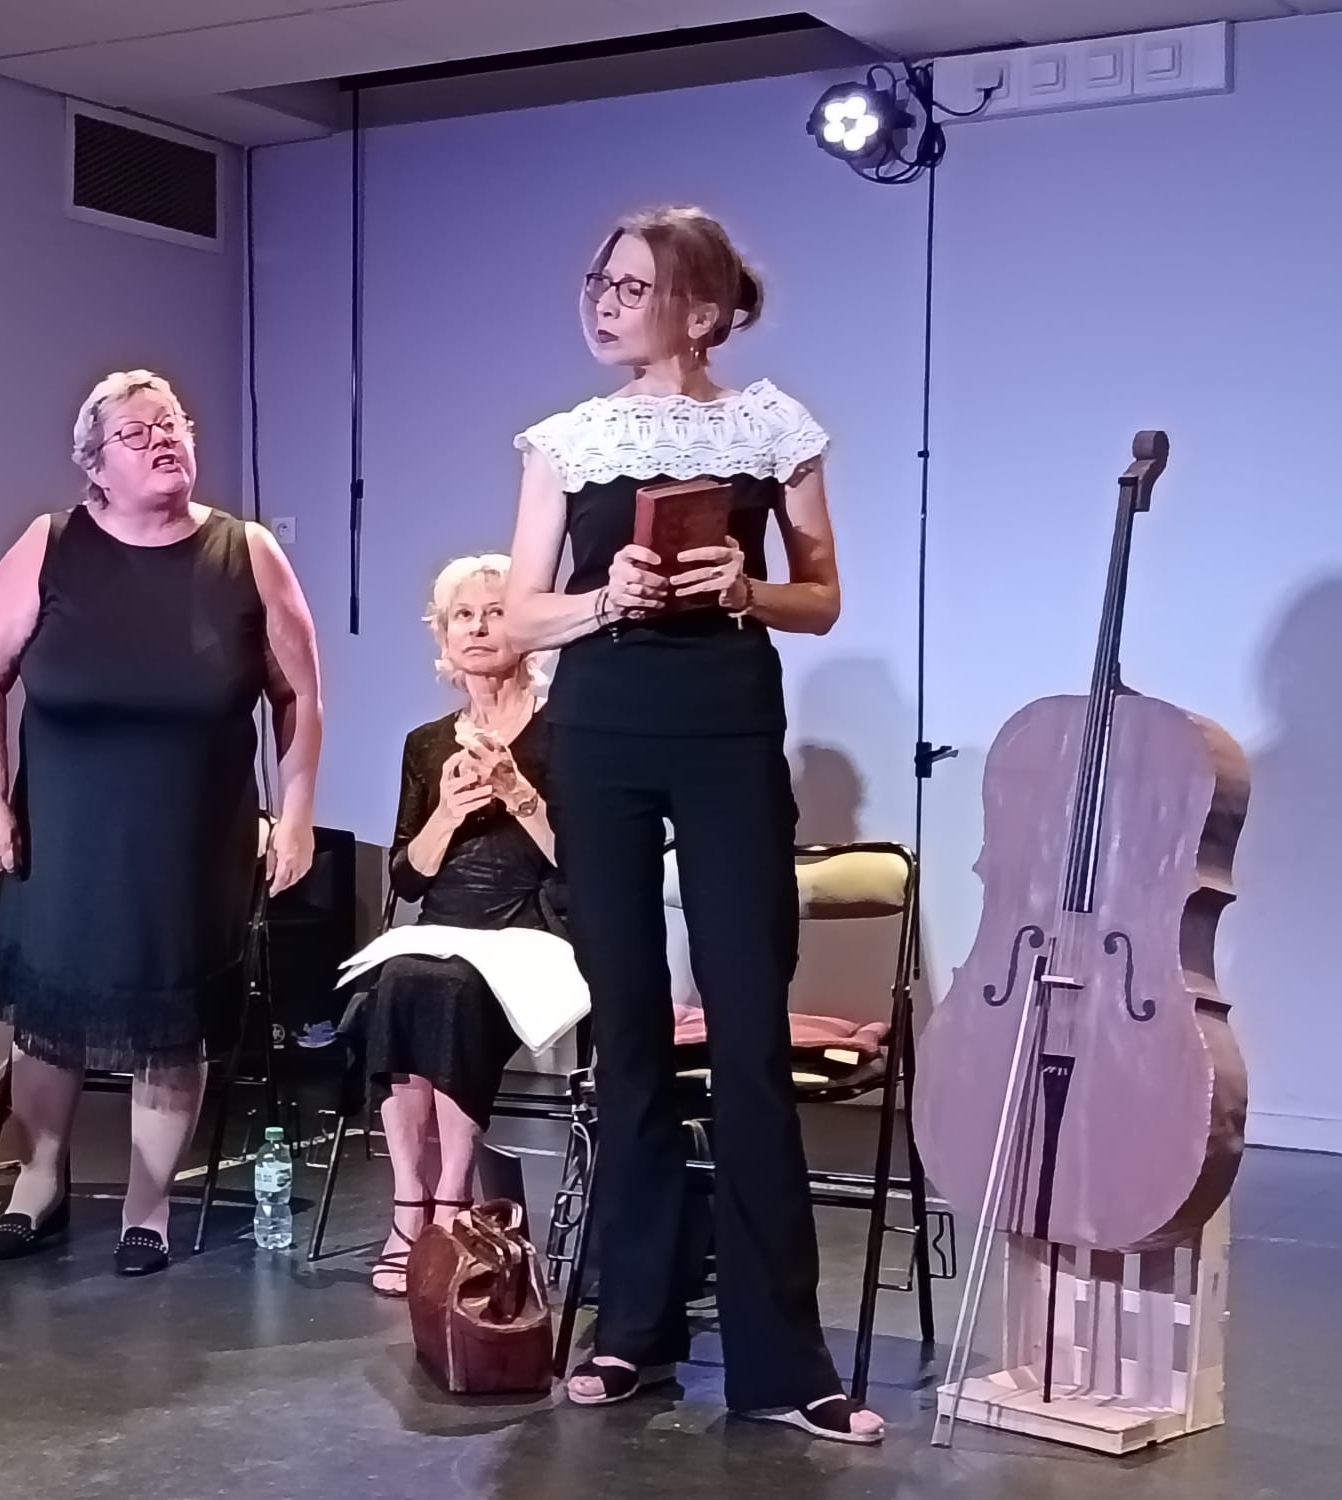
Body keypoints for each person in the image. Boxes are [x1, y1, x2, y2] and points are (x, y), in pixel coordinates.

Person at [503, 206, 884, 1441]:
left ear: (702, 311)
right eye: (598, 280)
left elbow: (820, 598)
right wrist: (599, 598)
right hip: (600, 734)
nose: (603, 301)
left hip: (724, 729)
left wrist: (746, 585)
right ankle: (631, 1330)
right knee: (625, 1034)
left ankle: (785, 1361)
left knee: (747, 1032)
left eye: (630, 285)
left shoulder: (771, 427)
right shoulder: (567, 440)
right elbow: (516, 616)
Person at [0, 369, 321, 1277]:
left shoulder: (245, 553)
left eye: (172, 423)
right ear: (94, 466)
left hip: (192, 841)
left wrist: (298, 815)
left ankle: (147, 1206)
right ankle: (38, 1182)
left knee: (171, 1019)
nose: (163, 438)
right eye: (136, 430)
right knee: (49, 1015)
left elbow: (298, 696)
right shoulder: (50, 546)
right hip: (63, 834)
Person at [340, 555, 565, 1296]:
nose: (477, 627)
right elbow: (408, 878)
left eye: (495, 612)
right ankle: (411, 1206)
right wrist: (445, 812)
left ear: (526, 627)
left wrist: (518, 793)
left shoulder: (565, 732)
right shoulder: (427, 743)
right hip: (441, 928)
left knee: (450, 986)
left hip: (532, 927)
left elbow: (582, 867)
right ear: (443, 635)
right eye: (462, 615)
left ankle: (452, 1201)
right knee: (399, 981)